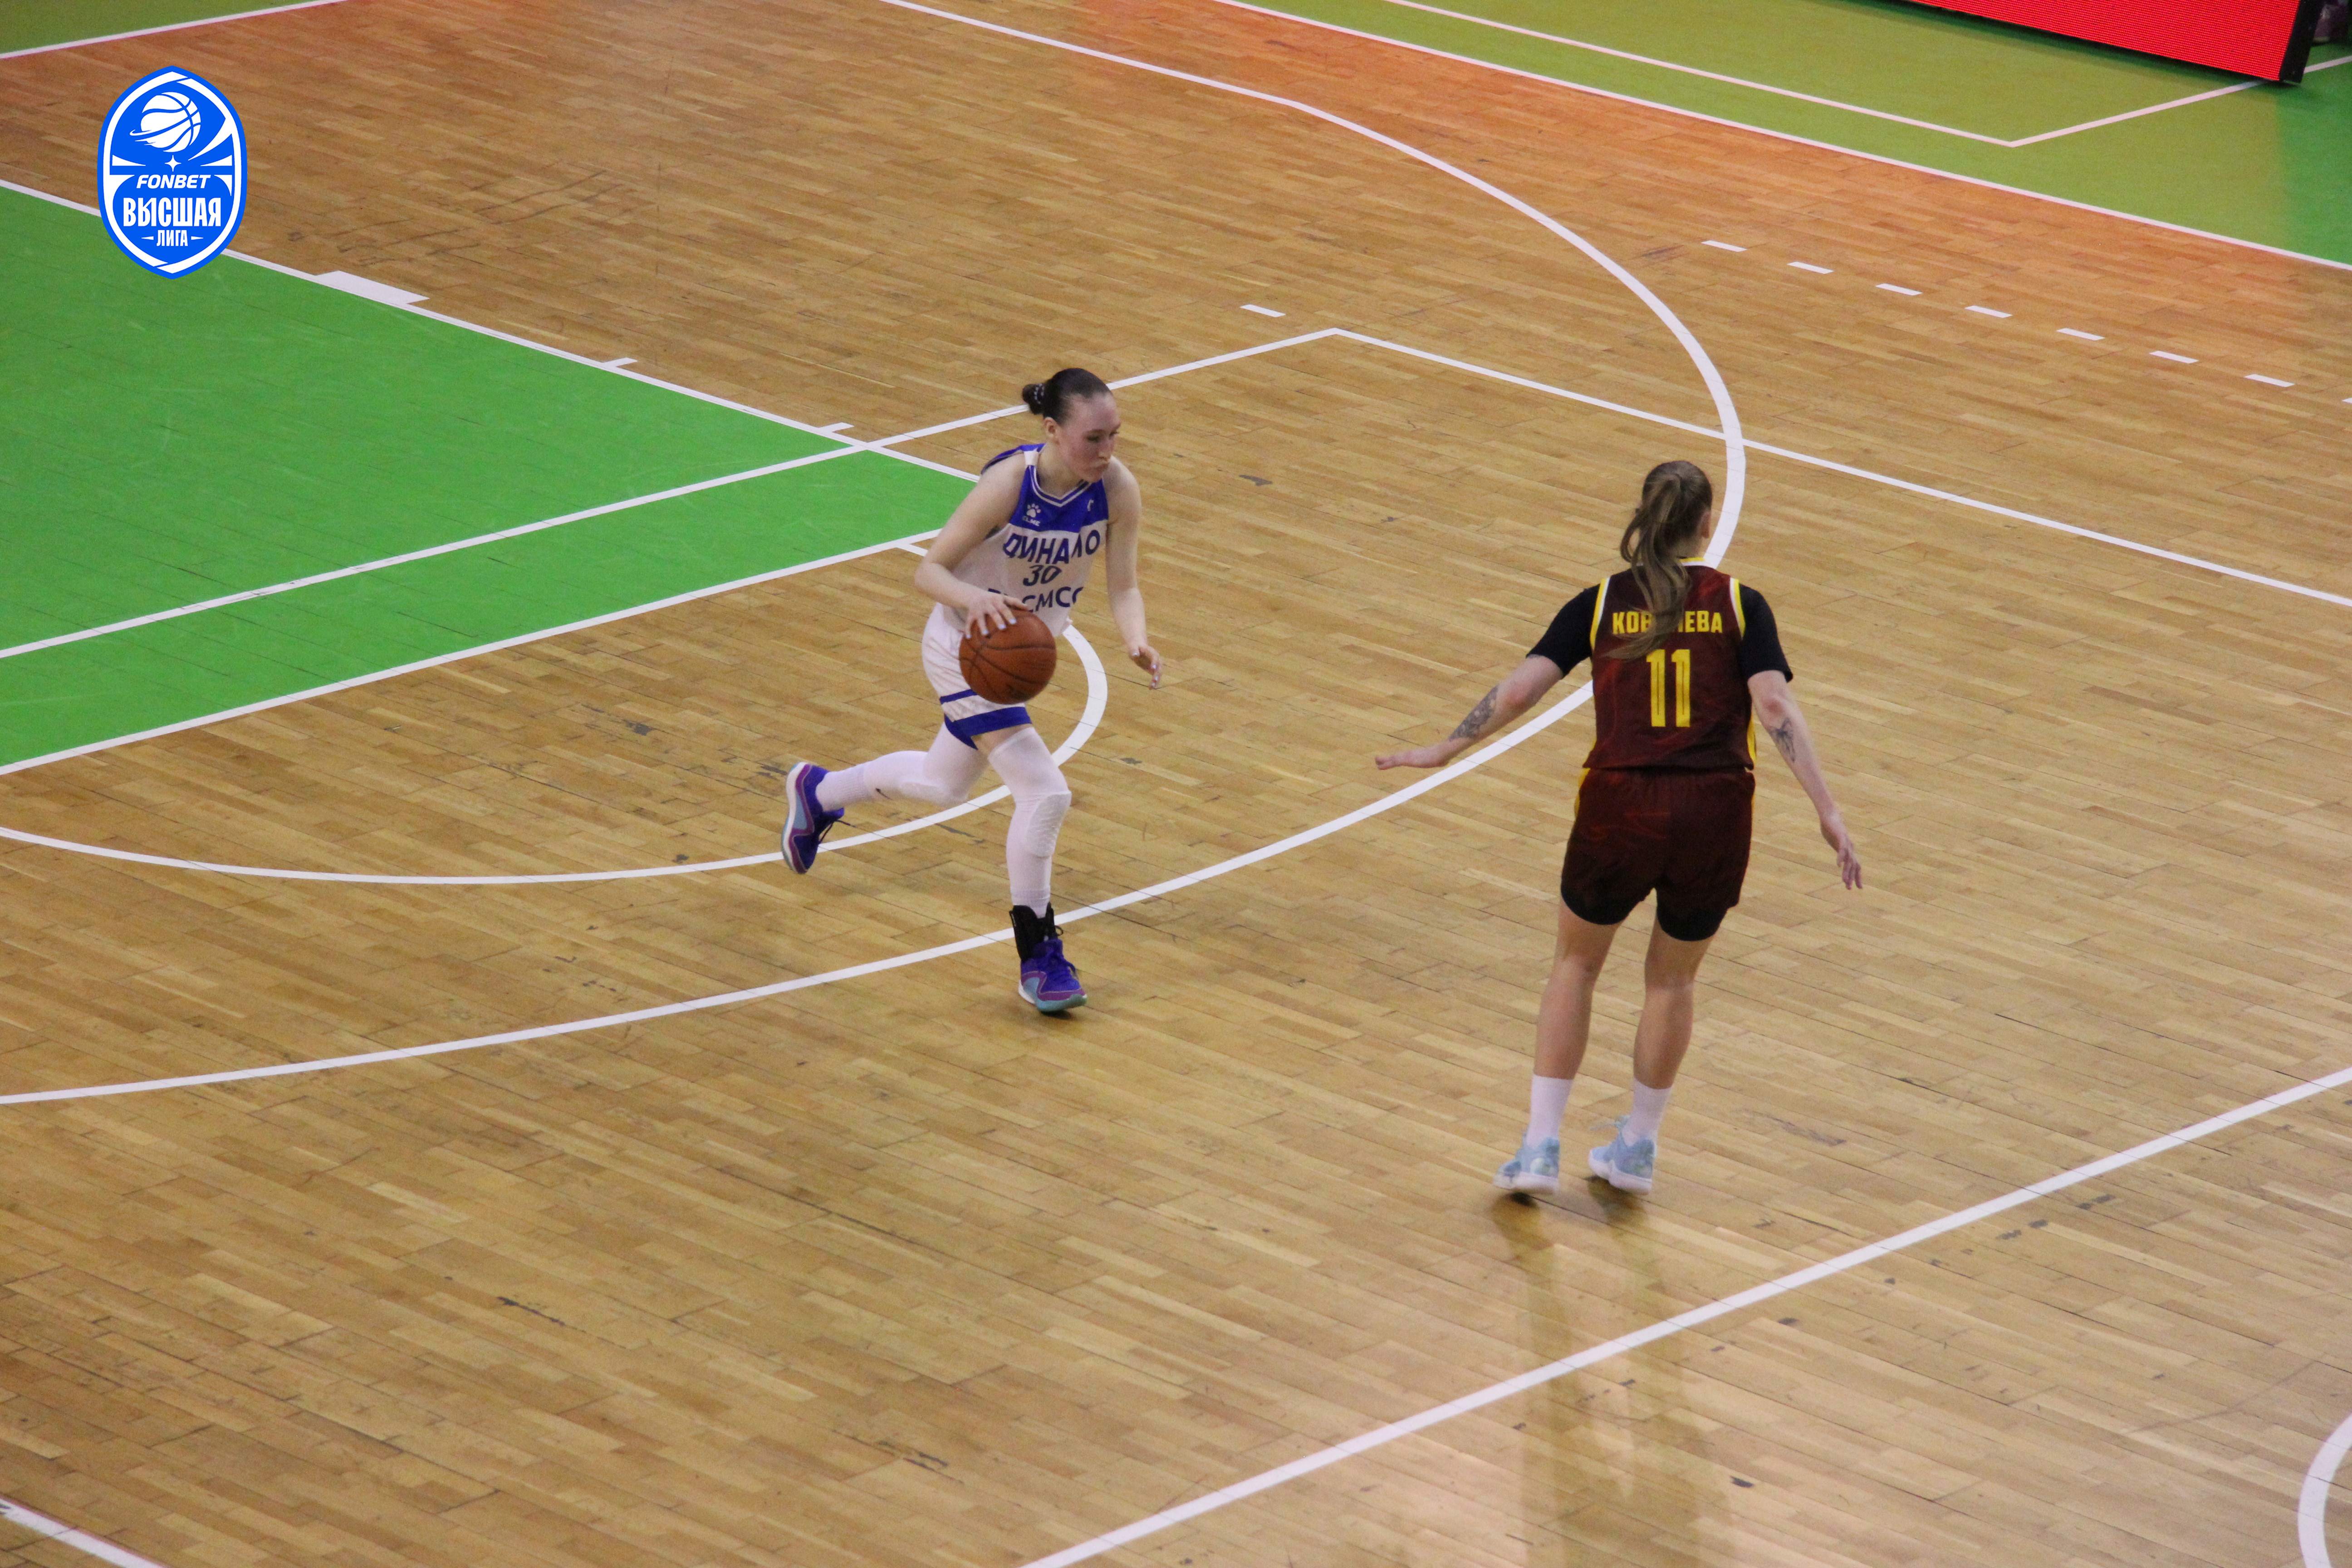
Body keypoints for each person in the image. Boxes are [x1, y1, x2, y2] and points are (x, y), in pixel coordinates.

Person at [1375, 460, 1860, 1195]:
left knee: (1575, 966)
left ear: (1646, 516)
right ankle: (1636, 1147)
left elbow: (1520, 691)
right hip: (1714, 809)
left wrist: (1447, 747)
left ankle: (1540, 1147)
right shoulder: (1740, 604)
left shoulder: (1600, 603)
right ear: (1706, 524)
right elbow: (1774, 708)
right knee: (1673, 980)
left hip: (1620, 806)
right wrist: (1828, 809)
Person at [781, 368, 1160, 1014]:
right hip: (964, 648)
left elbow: (1123, 585)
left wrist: (1136, 639)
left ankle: (818, 792)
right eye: (1093, 438)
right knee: (1045, 792)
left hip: (1014, 653)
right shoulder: (1011, 483)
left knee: (942, 785)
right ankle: (1039, 957)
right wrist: (974, 599)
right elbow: (929, 571)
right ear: (1053, 430)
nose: (1107, 451)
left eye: (1114, 436)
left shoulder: (1117, 489)